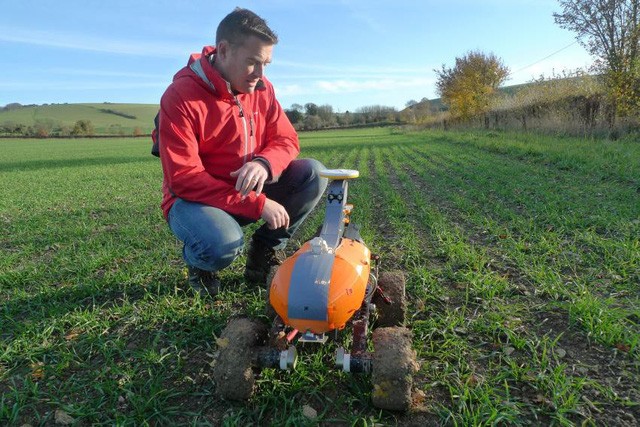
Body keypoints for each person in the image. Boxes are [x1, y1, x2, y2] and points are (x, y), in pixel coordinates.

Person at [158, 7, 327, 297]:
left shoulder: (262, 89)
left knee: (312, 173)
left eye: (266, 64)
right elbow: (183, 178)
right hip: (195, 202)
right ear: (223, 51)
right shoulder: (181, 97)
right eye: (253, 63)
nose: (261, 75)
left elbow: (286, 138)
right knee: (221, 244)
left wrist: (264, 163)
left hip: (246, 189)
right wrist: (257, 204)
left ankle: (263, 255)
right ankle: (201, 264)